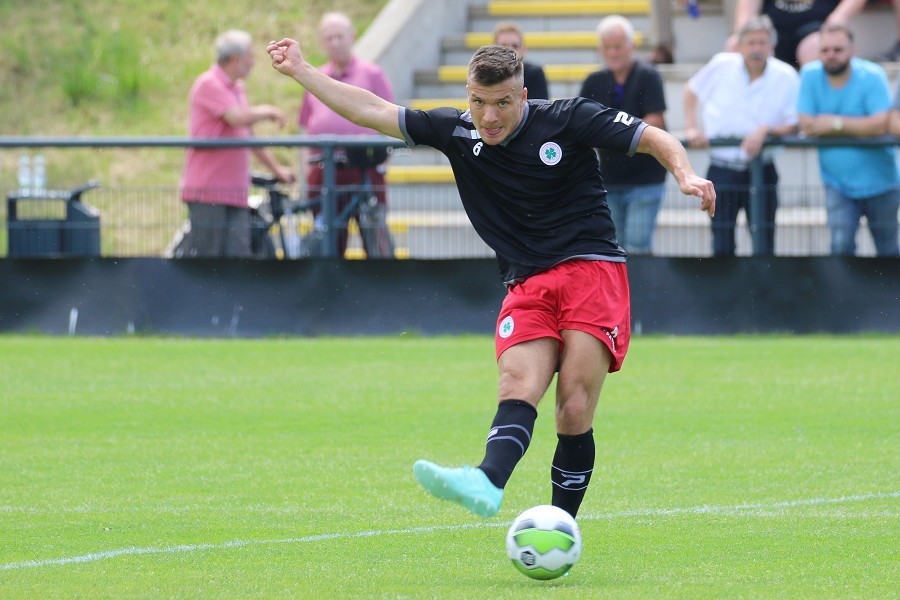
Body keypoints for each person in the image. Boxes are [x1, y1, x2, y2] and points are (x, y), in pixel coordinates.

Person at [267, 38, 715, 521]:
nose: (490, 117)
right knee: (517, 383)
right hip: (526, 283)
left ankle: (561, 524)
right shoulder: (455, 130)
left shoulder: (567, 118)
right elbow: (371, 109)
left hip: (592, 269)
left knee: (573, 407)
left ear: (523, 96)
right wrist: (301, 71)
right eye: (479, 103)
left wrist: (685, 174)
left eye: (503, 103)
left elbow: (653, 137)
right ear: (468, 95)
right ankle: (486, 482)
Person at [685, 16, 800, 256]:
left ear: (772, 46)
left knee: (764, 243)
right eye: (751, 42)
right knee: (722, 244)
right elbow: (690, 90)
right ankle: (724, 293)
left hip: (763, 169)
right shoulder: (721, 65)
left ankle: (764, 293)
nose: (756, 48)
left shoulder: (787, 75)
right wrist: (691, 127)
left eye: (762, 42)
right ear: (739, 45)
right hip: (721, 169)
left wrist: (767, 130)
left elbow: (795, 124)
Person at [180, 30, 295, 258]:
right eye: (250, 56)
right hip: (207, 194)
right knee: (208, 263)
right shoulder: (209, 84)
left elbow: (248, 136)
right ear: (234, 59)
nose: (253, 62)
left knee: (239, 263)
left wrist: (277, 170)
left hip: (235, 193)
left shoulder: (237, 89)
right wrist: (268, 111)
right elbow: (237, 118)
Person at [298, 12, 395, 258]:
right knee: (329, 246)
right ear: (322, 42)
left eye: (339, 36)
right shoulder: (315, 78)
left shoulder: (372, 74)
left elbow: (390, 120)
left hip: (365, 171)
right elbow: (304, 129)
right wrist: (304, 176)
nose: (335, 43)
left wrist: (384, 166)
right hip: (324, 173)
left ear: (351, 37)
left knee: (376, 246)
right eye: (329, 38)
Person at [797, 23, 899, 256]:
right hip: (837, 183)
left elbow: (880, 124)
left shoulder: (873, 75)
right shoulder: (810, 74)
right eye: (825, 50)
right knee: (840, 248)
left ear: (852, 50)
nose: (831, 55)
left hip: (882, 182)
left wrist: (834, 124)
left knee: (888, 252)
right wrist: (858, 126)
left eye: (838, 49)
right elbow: (806, 123)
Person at [579, 15, 668, 255]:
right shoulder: (593, 81)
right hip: (607, 179)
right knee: (612, 249)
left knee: (638, 247)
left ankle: (640, 294)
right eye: (607, 47)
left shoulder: (648, 75)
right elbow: (581, 124)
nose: (613, 52)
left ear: (632, 46)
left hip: (646, 179)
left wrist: (610, 134)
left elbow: (656, 121)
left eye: (618, 46)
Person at [727, 0, 869, 68]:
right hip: (771, 31)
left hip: (817, 29)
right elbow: (747, 12)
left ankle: (815, 111)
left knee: (816, 49)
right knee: (735, 46)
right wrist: (741, 34)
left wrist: (837, 21)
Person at [493, 21, 550, 100]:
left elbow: (541, 110)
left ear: (524, 49)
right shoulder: (485, 75)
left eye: (515, 46)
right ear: (493, 50)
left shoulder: (535, 74)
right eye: (503, 46)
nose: (510, 50)